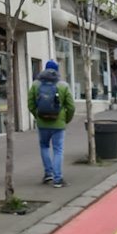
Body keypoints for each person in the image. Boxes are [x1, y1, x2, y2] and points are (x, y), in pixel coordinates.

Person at [28, 60, 75, 188]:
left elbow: (30, 104)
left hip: (42, 123)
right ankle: (58, 179)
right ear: (57, 70)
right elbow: (71, 107)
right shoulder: (63, 85)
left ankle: (48, 173)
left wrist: (38, 115)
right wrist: (66, 119)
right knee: (58, 150)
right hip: (58, 124)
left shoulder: (36, 85)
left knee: (44, 146)